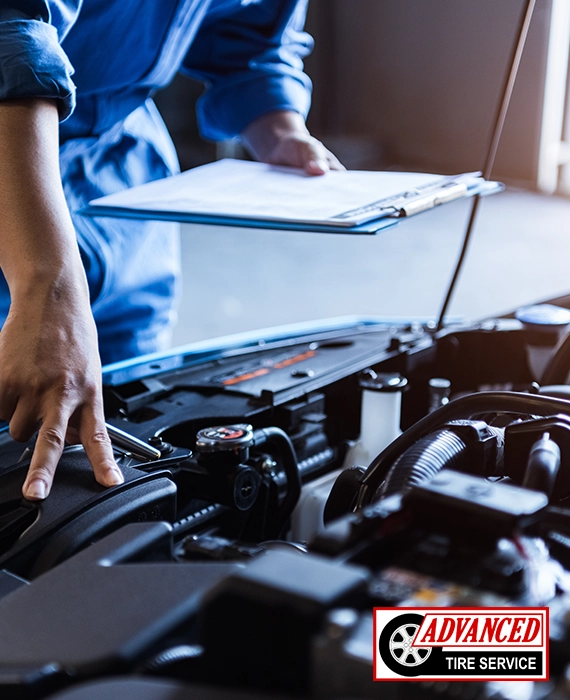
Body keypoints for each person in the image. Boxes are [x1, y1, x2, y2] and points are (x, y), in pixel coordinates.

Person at [0, 0, 342, 501]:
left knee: (132, 410)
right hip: (14, 168)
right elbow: (11, 32)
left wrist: (281, 128)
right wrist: (44, 284)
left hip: (121, 179)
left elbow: (251, 30)